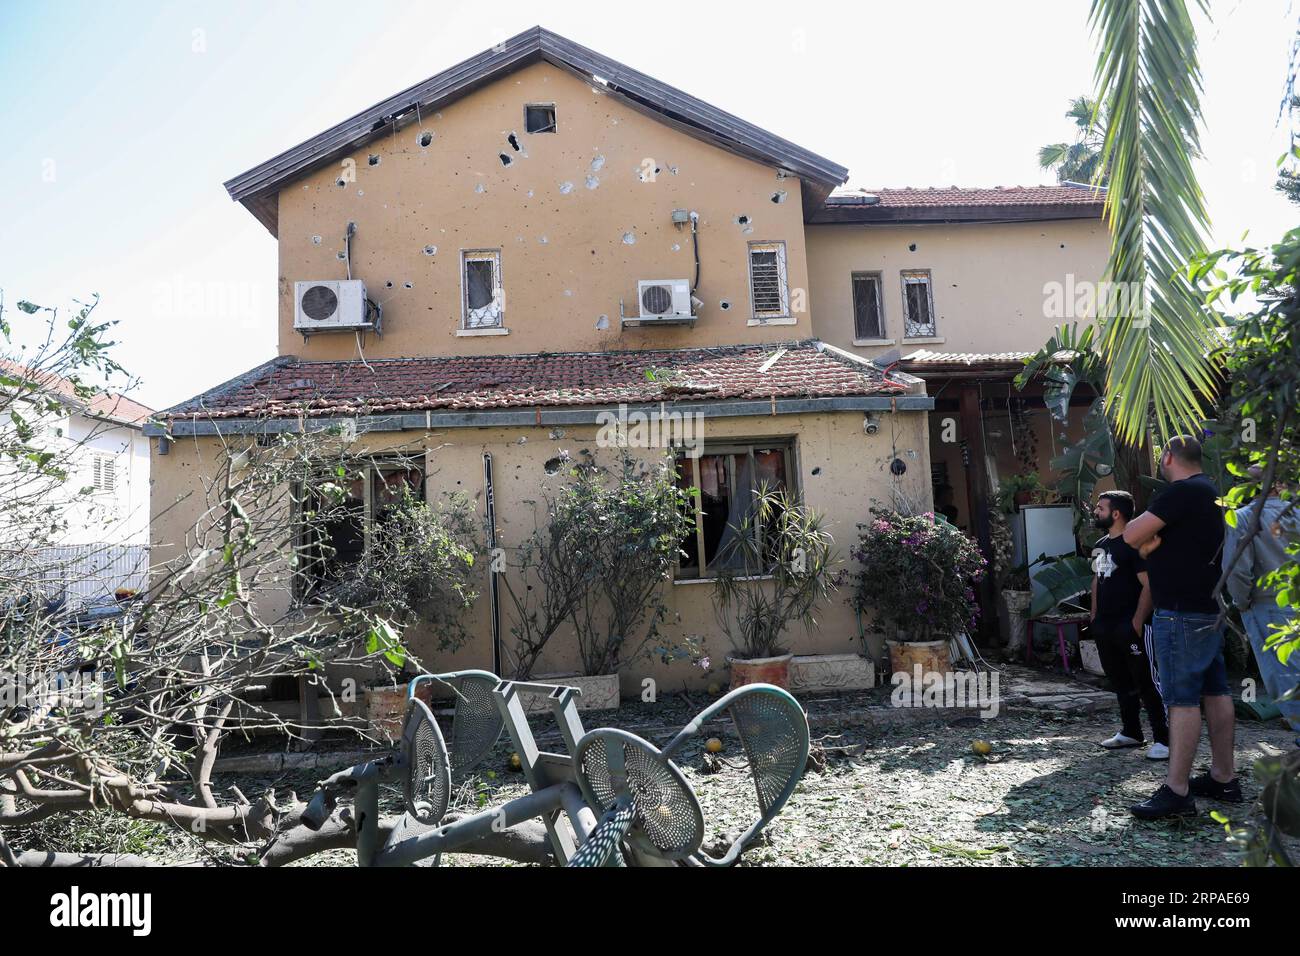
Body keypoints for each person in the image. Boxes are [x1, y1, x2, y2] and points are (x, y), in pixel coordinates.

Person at [1123, 435, 1238, 818]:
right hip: (1208, 605)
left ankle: (1177, 790)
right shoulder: (1210, 492)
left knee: (1181, 698)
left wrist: (1145, 543)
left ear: (1168, 457)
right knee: (1215, 690)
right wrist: (1148, 547)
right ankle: (1223, 776)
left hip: (1180, 611)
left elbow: (1131, 535)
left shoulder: (1181, 492)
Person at [1088, 491, 1168, 759]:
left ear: (1116, 513)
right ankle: (1131, 732)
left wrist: (1136, 622)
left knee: (1147, 681)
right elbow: (1097, 581)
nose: (1096, 512)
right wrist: (1094, 616)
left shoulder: (1134, 544)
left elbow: (1150, 585)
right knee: (1120, 681)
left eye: (1100, 508)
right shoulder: (1100, 544)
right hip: (1105, 626)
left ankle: (1164, 739)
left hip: (1131, 626)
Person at [1223, 473, 1300, 735]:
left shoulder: (1244, 518)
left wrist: (1241, 602)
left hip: (1266, 605)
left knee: (1285, 680)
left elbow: (1237, 570)